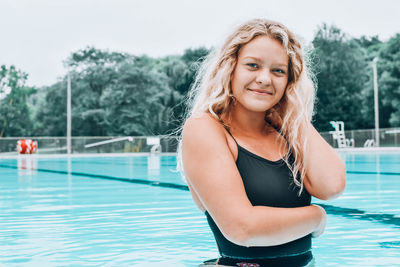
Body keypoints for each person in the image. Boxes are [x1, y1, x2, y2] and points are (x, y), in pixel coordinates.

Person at [179, 19, 346, 267]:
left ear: (290, 81)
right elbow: (243, 228)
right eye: (253, 65)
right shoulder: (205, 128)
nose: (265, 79)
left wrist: (293, 116)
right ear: (231, 68)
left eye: (279, 71)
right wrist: (317, 217)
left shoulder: (286, 134)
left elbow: (332, 186)